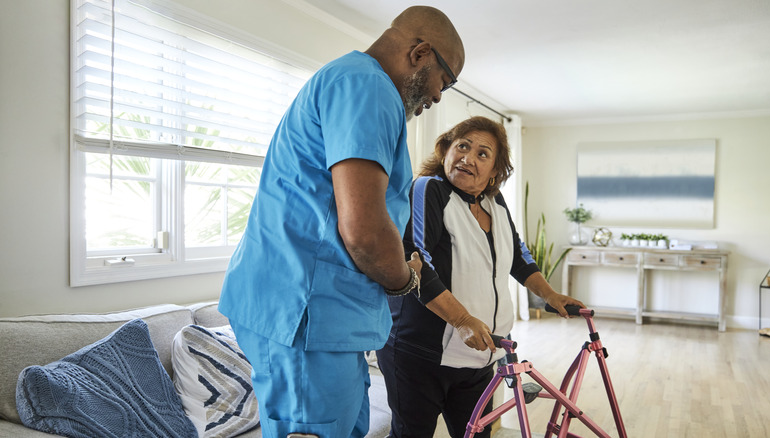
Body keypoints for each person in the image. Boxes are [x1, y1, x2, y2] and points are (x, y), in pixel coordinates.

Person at [218, 6, 465, 438]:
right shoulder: (368, 86)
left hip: (316, 316)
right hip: (305, 314)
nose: (440, 96)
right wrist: (404, 279)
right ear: (421, 53)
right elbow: (365, 232)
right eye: (446, 80)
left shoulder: (354, 82)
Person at [376, 116, 585, 438]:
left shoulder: (496, 203)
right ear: (445, 151)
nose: (468, 158)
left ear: (495, 173)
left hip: (480, 355)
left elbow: (518, 256)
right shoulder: (428, 188)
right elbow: (416, 259)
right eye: (462, 146)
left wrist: (550, 295)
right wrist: (461, 320)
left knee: (476, 434)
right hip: (419, 354)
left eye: (482, 154)